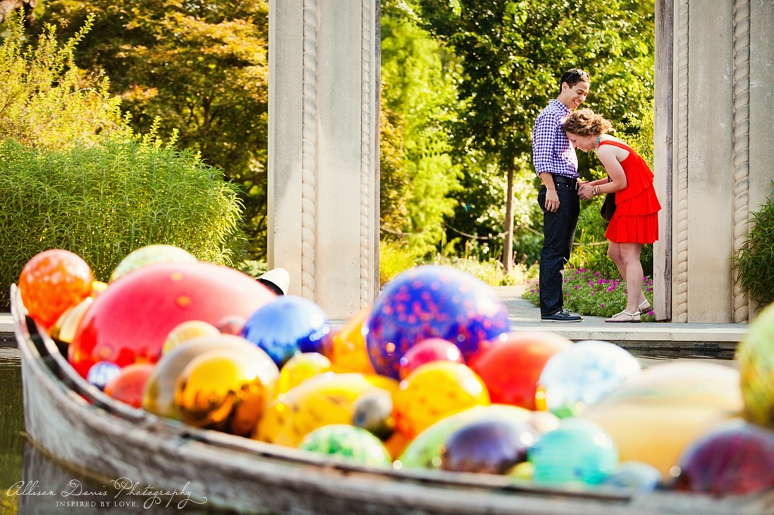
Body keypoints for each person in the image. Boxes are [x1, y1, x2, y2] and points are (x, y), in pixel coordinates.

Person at [562, 108, 661, 323]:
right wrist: (592, 184)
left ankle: (632, 311)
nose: (577, 146)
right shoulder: (605, 142)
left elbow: (621, 183)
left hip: (635, 202)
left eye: (576, 141)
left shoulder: (603, 150)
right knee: (614, 253)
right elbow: (620, 177)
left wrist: (593, 190)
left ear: (586, 133)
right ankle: (641, 302)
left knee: (629, 256)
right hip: (630, 200)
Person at [532, 69, 590, 322]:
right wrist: (552, 190)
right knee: (554, 251)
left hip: (567, 187)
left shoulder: (566, 117)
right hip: (556, 189)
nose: (582, 98)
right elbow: (542, 156)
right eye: (579, 92)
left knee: (561, 251)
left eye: (586, 94)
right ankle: (552, 310)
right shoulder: (550, 116)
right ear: (565, 86)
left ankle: (555, 308)